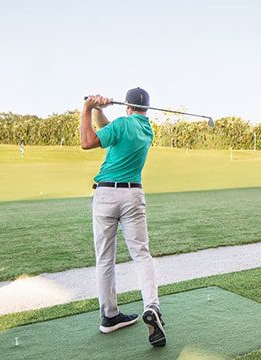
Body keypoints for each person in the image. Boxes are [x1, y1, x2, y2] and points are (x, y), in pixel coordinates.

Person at [80, 88, 166, 347]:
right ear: (146, 109)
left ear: (127, 106)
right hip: (133, 195)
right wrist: (99, 110)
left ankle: (109, 316)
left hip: (105, 195)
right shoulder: (146, 130)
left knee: (105, 258)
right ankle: (152, 306)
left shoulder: (122, 124)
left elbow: (88, 141)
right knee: (141, 254)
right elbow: (109, 132)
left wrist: (87, 108)